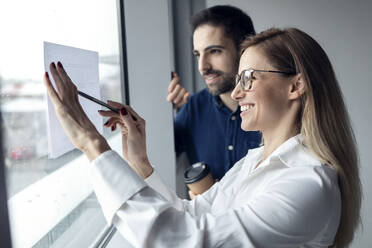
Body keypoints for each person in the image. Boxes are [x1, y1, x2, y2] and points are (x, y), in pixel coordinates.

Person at [44, 27, 361, 247]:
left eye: (249, 78)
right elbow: (193, 215)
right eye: (238, 79)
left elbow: (185, 240)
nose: (236, 92)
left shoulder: (307, 184)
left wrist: (92, 144)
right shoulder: (256, 161)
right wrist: (139, 161)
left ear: (295, 86)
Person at [167, 5, 261, 182]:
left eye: (214, 51)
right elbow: (155, 155)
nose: (203, 67)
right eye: (198, 54)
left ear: (245, 50)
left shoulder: (276, 108)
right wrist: (164, 111)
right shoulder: (191, 109)